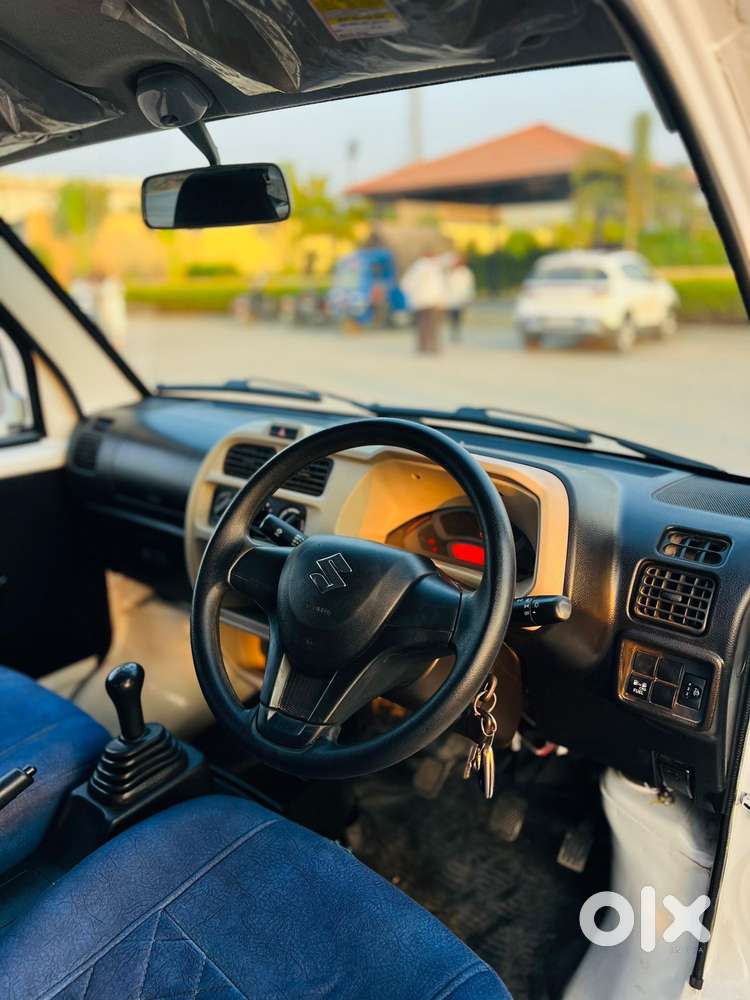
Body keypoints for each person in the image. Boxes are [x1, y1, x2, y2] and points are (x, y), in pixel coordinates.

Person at [401, 248, 448, 354]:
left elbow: (406, 284)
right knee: (432, 326)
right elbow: (439, 287)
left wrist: (412, 297)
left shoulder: (418, 267)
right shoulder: (430, 267)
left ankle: (424, 347)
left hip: (420, 302)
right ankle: (432, 347)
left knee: (422, 326)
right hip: (431, 301)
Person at [446, 254, 476, 342]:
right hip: (451, 299)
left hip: (461, 298)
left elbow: (469, 286)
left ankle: (456, 332)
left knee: (458, 317)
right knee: (452, 317)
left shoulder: (467, 272)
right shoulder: (450, 272)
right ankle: (454, 332)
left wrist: (469, 297)